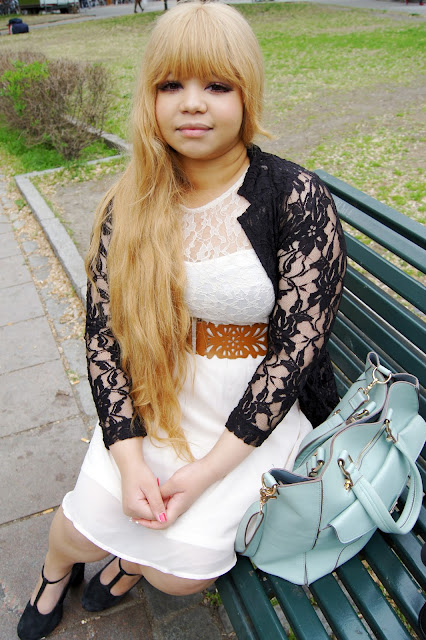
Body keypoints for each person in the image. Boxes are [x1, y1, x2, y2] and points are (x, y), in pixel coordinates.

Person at [17, 3, 346, 639]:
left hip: (253, 414)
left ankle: (132, 565)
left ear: (246, 95)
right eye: (172, 85)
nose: (192, 103)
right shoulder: (132, 200)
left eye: (217, 85)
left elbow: (294, 354)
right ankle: (55, 574)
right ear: (151, 97)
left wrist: (205, 472)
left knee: (180, 572)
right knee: (82, 529)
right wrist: (129, 459)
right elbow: (104, 338)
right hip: (159, 392)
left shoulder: (294, 198)